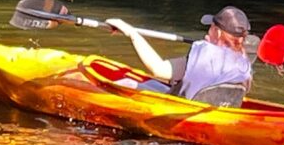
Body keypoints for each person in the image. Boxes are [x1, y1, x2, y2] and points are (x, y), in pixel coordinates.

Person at [106, 6, 253, 102]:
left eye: (211, 27)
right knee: (153, 84)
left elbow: (158, 69)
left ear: (218, 32)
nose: (208, 30)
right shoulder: (244, 63)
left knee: (125, 83)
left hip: (183, 111)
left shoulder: (203, 54)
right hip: (219, 112)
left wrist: (132, 33)